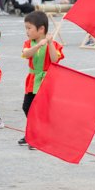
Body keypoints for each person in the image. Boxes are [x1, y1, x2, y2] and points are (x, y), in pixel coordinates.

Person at [18, 11, 64, 147]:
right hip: (33, 80)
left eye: (29, 28)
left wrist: (49, 43)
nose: (27, 31)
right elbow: (26, 54)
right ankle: (34, 132)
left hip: (46, 81)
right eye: (26, 28)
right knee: (27, 107)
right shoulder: (28, 43)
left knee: (41, 110)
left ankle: (40, 135)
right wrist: (38, 45)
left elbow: (55, 60)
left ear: (41, 29)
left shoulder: (54, 45)